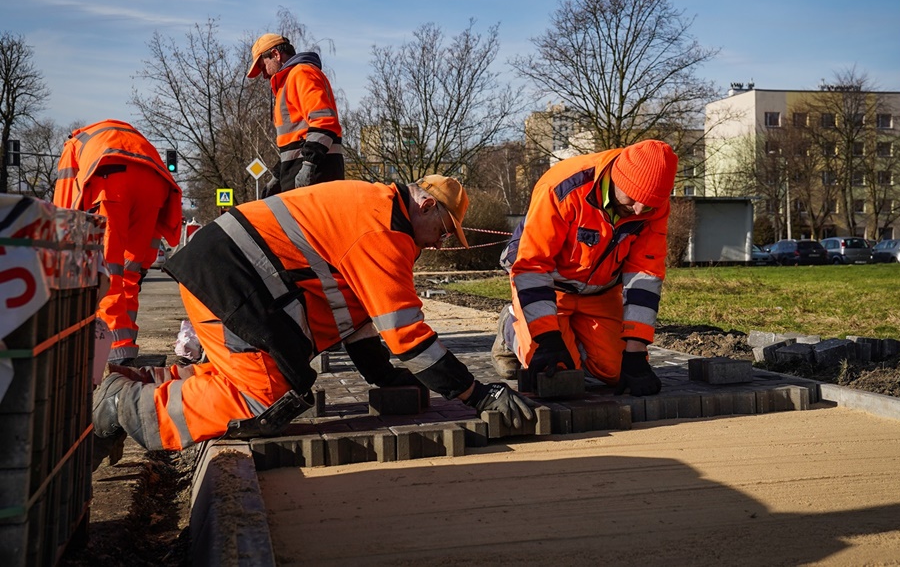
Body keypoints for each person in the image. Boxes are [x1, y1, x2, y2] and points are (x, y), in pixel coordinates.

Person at [91, 175, 535, 462]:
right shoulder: (382, 230)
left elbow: (360, 319)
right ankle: (123, 405)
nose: (439, 244)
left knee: (246, 374)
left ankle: (144, 379)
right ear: (425, 207)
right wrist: (478, 394)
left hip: (227, 276)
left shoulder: (374, 208)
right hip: (229, 281)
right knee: (264, 398)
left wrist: (384, 378)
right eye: (442, 231)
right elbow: (408, 336)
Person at [492, 139, 678, 397]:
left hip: (600, 291)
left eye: (649, 204)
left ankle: (574, 340)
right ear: (616, 177)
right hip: (550, 288)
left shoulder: (652, 205)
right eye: (634, 199)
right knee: (558, 372)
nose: (639, 210)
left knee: (617, 371)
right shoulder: (562, 187)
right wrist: (547, 337)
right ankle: (511, 329)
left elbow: (645, 275)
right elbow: (532, 265)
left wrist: (636, 351)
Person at [54, 119, 182, 366]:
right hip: (156, 184)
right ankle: (126, 345)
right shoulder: (119, 136)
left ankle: (116, 350)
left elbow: (64, 204)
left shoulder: (73, 144)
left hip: (112, 181)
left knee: (106, 270)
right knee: (129, 274)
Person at [247, 33, 344, 196]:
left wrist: (308, 167)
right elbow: (294, 143)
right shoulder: (291, 80)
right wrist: (278, 175)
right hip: (306, 174)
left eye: (264, 67)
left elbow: (324, 122)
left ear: (275, 55)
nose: (264, 75)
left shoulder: (301, 74)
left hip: (316, 176)